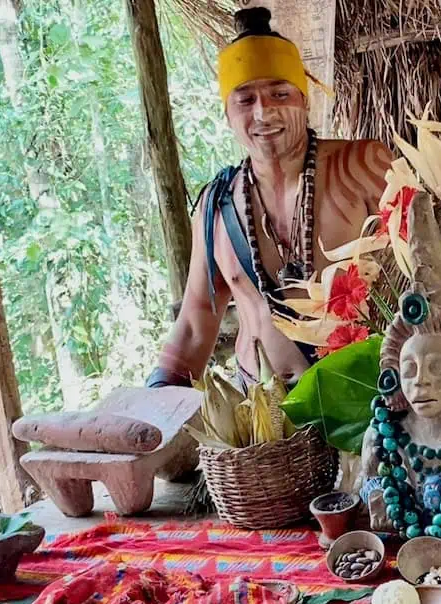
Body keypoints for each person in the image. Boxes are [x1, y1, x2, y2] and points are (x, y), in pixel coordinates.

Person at [146, 7, 392, 392]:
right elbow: (196, 323)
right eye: (245, 99)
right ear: (227, 113)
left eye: (280, 93)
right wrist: (156, 398)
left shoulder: (364, 166)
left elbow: (424, 275)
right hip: (262, 414)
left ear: (304, 99)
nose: (264, 112)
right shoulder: (217, 205)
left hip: (364, 402)